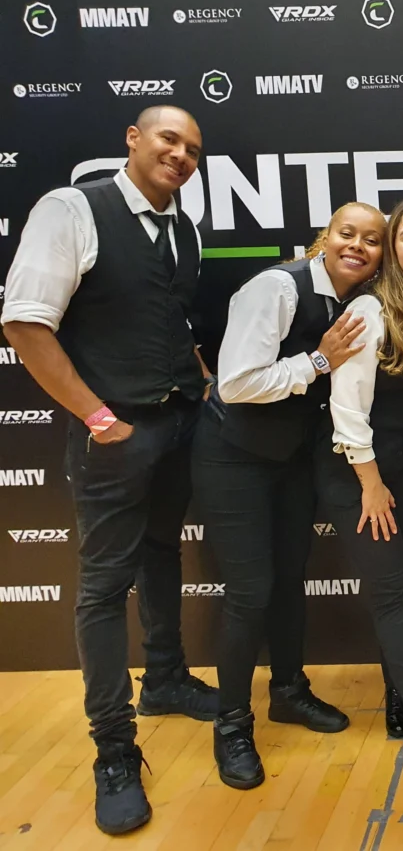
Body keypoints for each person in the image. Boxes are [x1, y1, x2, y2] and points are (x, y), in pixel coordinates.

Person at [1, 106, 218, 835]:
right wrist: (100, 419)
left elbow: (171, 318)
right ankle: (114, 750)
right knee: (102, 587)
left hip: (177, 423)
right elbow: (26, 323)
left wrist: (199, 380)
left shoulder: (181, 226)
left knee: (162, 554)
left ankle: (164, 679)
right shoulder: (72, 208)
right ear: (131, 137)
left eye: (192, 149)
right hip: (114, 435)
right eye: (168, 140)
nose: (180, 156)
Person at [193, 202, 386, 789]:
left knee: (289, 580)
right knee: (250, 592)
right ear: (325, 237)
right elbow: (238, 382)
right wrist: (320, 359)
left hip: (292, 459)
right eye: (347, 233)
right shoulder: (277, 285)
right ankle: (231, 724)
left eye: (371, 239)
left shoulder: (362, 300)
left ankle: (288, 692)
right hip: (234, 458)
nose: (357, 245)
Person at [315, 198, 403, 769]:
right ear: (393, 252)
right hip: (362, 474)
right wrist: (371, 486)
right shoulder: (369, 312)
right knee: (395, 593)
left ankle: (396, 692)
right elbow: (346, 410)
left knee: (393, 588)